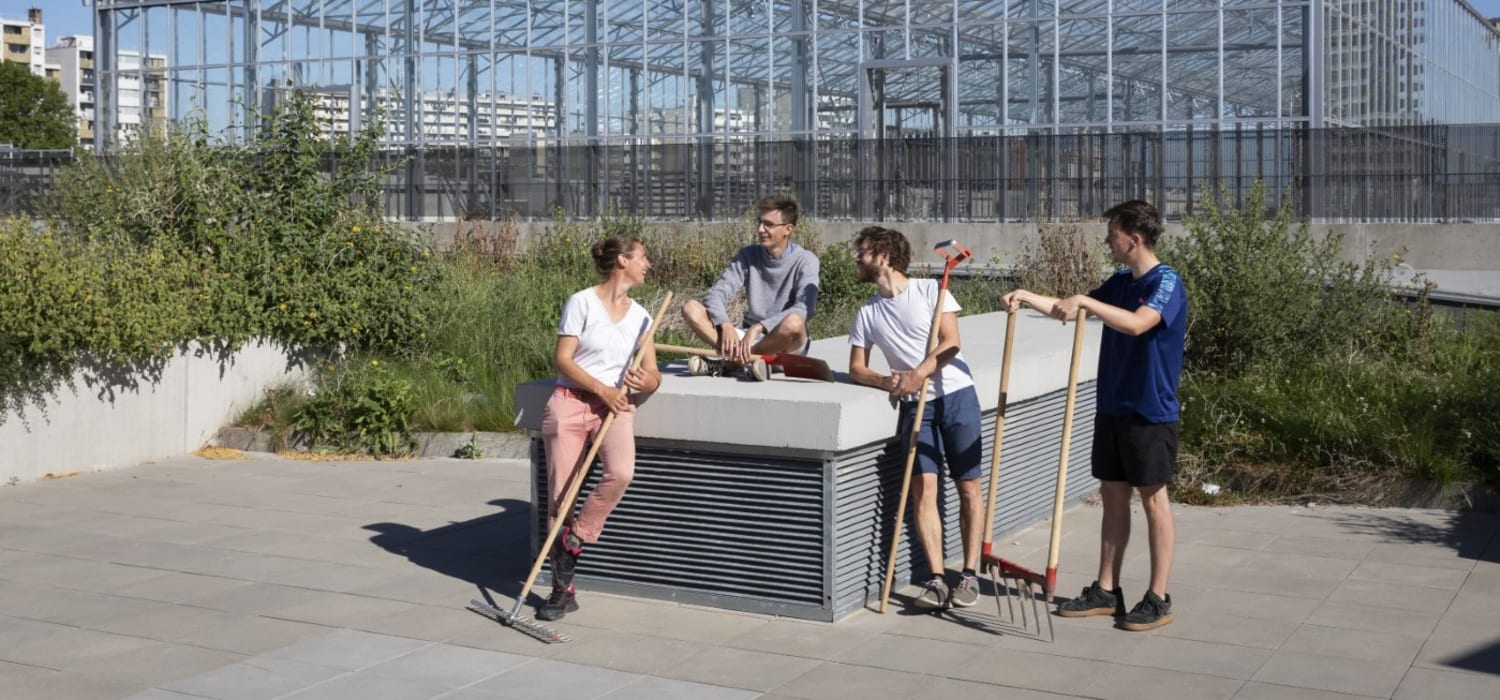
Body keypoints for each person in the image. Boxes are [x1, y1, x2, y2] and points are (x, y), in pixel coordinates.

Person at [1002, 200, 1186, 632]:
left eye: (1112, 233)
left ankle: (1158, 596)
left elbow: (1139, 324)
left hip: (1149, 410)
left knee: (1153, 500)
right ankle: (1107, 589)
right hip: (1112, 405)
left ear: (1133, 238)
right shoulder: (1121, 281)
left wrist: (1086, 301)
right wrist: (1027, 295)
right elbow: (1071, 307)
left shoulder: (1166, 282)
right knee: (1113, 496)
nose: (1107, 239)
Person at [847, 226, 985, 610]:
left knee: (968, 486)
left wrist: (919, 372)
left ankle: (970, 574)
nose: (856, 258)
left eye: (862, 252)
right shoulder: (867, 313)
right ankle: (938, 579)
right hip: (914, 407)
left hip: (956, 395)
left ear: (885, 255)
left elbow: (952, 343)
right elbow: (857, 368)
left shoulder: (931, 291)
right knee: (923, 488)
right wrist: (886, 380)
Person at [539, 235, 662, 622]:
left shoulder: (644, 316)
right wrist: (599, 389)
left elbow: (655, 374)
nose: (649, 264)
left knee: (622, 472)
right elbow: (563, 359)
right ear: (622, 261)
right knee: (561, 502)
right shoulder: (581, 302)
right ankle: (562, 591)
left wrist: (648, 382)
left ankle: (578, 539)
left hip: (617, 409)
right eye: (643, 257)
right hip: (572, 404)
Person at [681, 194, 820, 374]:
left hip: (783, 343)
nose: (760, 229)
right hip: (747, 339)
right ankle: (747, 361)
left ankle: (731, 363)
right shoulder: (748, 255)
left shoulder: (806, 260)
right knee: (690, 308)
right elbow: (716, 294)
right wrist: (725, 324)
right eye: (760, 222)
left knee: (794, 323)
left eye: (768, 224)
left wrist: (759, 327)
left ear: (788, 229)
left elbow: (804, 309)